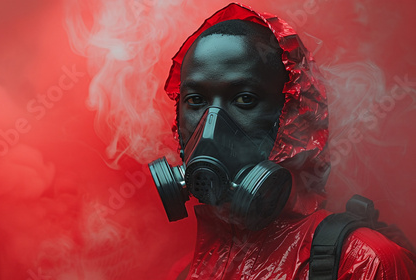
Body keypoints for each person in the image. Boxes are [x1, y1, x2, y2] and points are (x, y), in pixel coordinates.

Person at [149, 3, 416, 279]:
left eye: (244, 99)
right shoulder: (185, 273)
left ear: (292, 114)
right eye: (196, 100)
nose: (210, 128)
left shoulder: (363, 264)